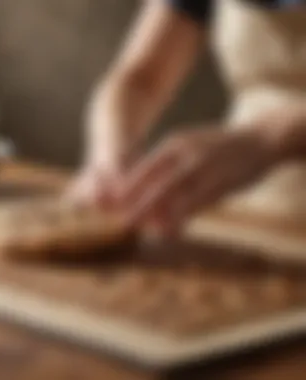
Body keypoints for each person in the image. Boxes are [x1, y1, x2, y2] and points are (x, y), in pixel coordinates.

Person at [68, 0, 306, 236]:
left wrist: (263, 139)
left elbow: (263, 137)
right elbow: (140, 80)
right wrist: (111, 154)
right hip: (250, 215)